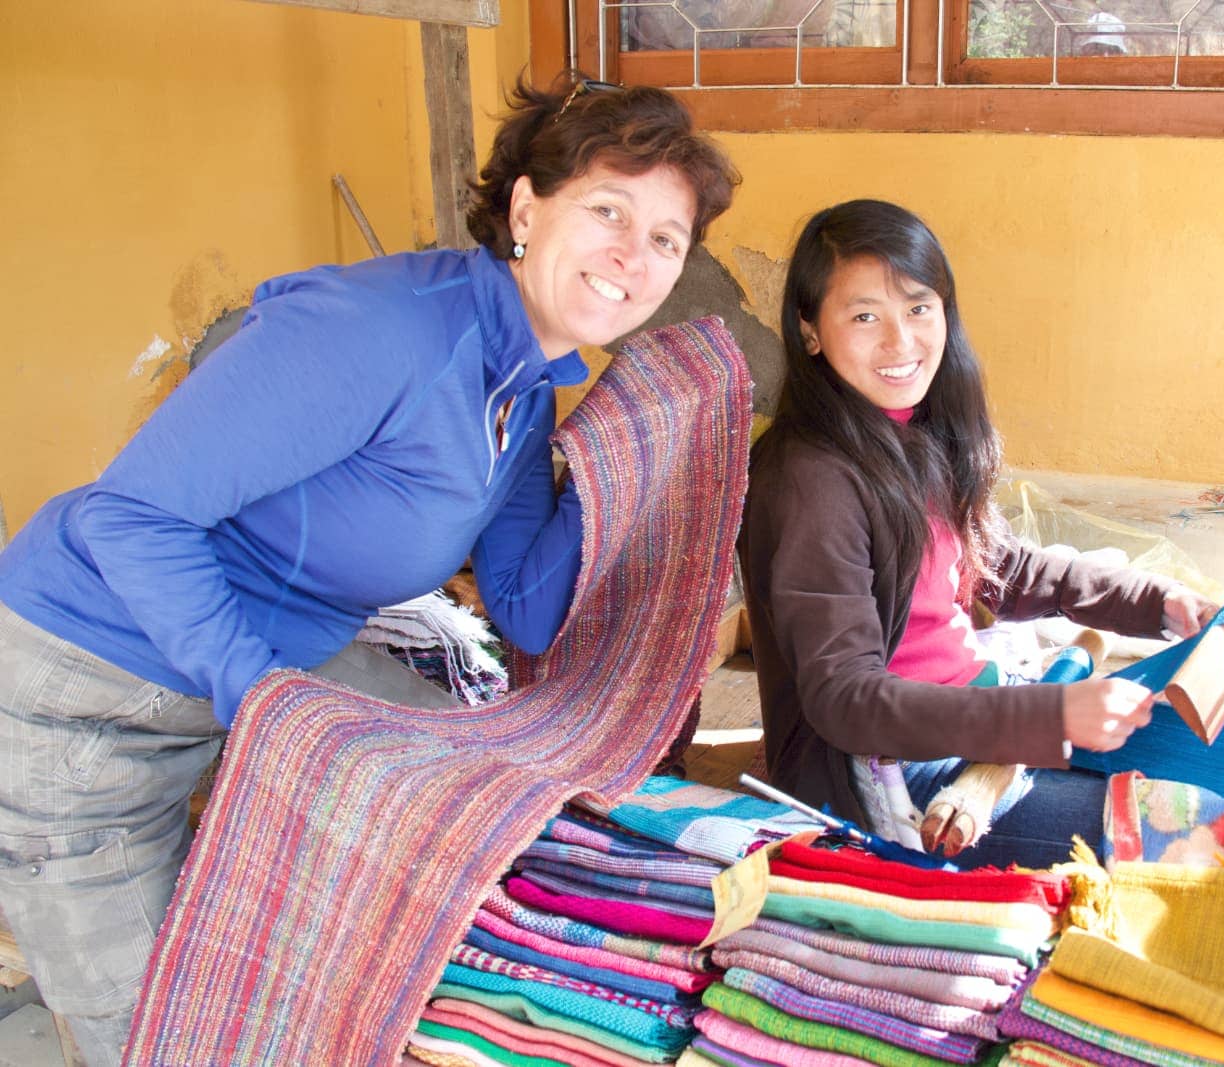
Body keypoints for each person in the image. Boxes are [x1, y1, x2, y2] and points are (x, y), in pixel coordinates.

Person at [0, 72, 738, 1065]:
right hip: (81, 701)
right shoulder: (383, 331)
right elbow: (129, 514)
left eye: (664, 239)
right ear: (526, 207)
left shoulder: (521, 383)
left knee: (498, 792)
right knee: (168, 1038)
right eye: (608, 209)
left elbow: (522, 605)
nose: (630, 256)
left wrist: (639, 448)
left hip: (253, 663)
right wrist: (260, 696)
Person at [738, 199, 1215, 871]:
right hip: (886, 780)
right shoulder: (808, 478)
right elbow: (844, 699)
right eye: (864, 315)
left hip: (977, 718)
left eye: (918, 308)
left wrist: (1155, 602)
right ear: (810, 329)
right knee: (1205, 827)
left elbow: (999, 567)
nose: (901, 342)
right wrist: (1046, 717)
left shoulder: (915, 431)